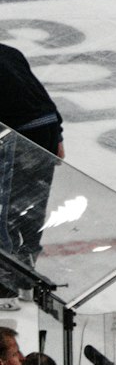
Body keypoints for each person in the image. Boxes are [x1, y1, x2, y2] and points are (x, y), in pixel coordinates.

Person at [0, 43, 65, 308]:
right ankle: (27, 281)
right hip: (43, 128)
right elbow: (41, 96)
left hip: (15, 135)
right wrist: (57, 136)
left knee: (3, 209)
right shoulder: (9, 52)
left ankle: (4, 288)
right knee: (30, 207)